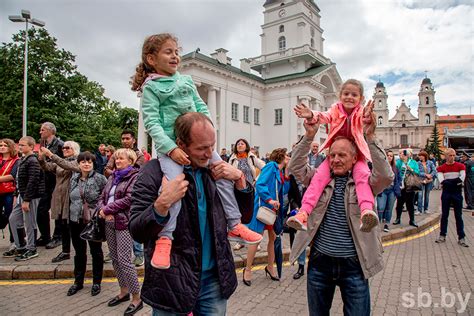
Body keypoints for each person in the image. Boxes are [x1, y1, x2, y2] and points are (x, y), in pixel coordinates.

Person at [131, 33, 261, 270]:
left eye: (176, 52)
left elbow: (200, 105)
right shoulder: (151, 88)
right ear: (151, 59)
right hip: (169, 148)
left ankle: (234, 225)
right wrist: (170, 150)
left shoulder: (186, 81)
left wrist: (207, 128)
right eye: (168, 52)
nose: (175, 56)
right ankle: (165, 238)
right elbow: (151, 122)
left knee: (223, 175)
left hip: (215, 273)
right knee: (172, 186)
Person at [129, 112, 253, 315]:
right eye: (202, 148)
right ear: (180, 143)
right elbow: (137, 231)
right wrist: (162, 204)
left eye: (212, 146)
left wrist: (240, 180)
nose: (209, 153)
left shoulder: (216, 170)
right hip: (171, 283)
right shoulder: (153, 172)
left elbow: (244, 217)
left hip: (214, 281)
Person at [288, 116, 393, 316]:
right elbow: (295, 168)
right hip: (320, 264)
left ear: (354, 159)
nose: (336, 159)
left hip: (354, 266)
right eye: (332, 155)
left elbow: (386, 176)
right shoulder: (318, 179)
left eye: (342, 155)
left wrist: (370, 136)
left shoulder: (365, 183)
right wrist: (309, 136)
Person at [287, 79, 378, 233]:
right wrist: (311, 115)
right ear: (339, 96)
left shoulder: (361, 112)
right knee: (317, 180)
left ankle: (366, 212)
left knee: (362, 178)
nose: (349, 97)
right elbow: (324, 116)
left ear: (361, 99)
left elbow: (365, 119)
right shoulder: (335, 109)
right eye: (346, 93)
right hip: (334, 152)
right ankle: (303, 213)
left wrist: (368, 117)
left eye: (354, 94)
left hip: (357, 155)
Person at [98, 148, 143, 315]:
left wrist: (108, 209)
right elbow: (102, 197)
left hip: (123, 222)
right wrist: (102, 210)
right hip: (108, 221)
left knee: (125, 260)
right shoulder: (112, 176)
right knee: (115, 259)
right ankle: (123, 291)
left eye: (121, 159)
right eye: (116, 159)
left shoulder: (134, 176)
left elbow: (130, 199)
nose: (117, 161)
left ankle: (136, 297)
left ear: (130, 161)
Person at [243, 148, 291, 286]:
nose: (288, 158)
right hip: (263, 208)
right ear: (281, 156)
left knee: (273, 238)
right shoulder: (271, 166)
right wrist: (270, 200)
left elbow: (283, 191)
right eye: (287, 156)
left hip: (272, 211)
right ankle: (247, 270)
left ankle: (270, 267)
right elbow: (260, 184)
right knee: (256, 239)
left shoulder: (280, 171)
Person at [66, 151, 107, 297]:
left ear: (93, 163)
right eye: (83, 161)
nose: (86, 164)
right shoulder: (74, 178)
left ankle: (97, 282)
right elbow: (71, 198)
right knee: (79, 252)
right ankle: (78, 281)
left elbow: (106, 198)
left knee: (95, 251)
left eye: (89, 161)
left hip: (93, 221)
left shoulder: (100, 178)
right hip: (75, 219)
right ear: (79, 164)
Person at [104, 130, 146, 267]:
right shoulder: (117, 154)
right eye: (122, 138)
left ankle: (139, 254)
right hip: (116, 192)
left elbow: (136, 171)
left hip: (132, 194)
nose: (125, 141)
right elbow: (107, 169)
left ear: (133, 140)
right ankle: (115, 251)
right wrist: (117, 173)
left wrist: (117, 173)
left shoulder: (139, 155)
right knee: (116, 224)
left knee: (132, 223)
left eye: (127, 138)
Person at [38, 141, 81, 263]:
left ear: (75, 149)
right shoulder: (60, 162)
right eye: (63, 148)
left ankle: (78, 252)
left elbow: (68, 166)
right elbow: (47, 167)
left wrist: (51, 155)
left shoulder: (78, 160)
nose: (64, 149)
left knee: (72, 227)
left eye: (68, 147)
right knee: (62, 226)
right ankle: (65, 251)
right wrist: (41, 158)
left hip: (70, 197)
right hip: (59, 196)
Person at [8, 136, 45, 261]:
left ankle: (31, 248)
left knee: (30, 223)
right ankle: (21, 245)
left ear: (31, 146)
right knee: (13, 219)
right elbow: (19, 180)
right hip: (21, 195)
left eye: (23, 145)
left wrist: (27, 199)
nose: (20, 147)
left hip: (30, 197)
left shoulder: (32, 161)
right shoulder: (23, 159)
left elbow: (33, 181)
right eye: (20, 145)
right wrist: (16, 195)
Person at [228, 138, 266, 250]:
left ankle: (254, 241)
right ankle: (241, 240)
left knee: (251, 214)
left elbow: (264, 167)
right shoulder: (232, 158)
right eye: (238, 144)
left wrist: (257, 180)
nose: (240, 145)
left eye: (242, 143)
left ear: (246, 146)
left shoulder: (251, 157)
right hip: (237, 191)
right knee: (239, 214)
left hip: (250, 190)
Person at [37, 122, 64, 249]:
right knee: (41, 210)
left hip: (57, 180)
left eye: (42, 130)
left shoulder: (60, 144)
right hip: (45, 181)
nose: (40, 132)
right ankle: (45, 236)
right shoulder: (43, 144)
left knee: (57, 211)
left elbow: (65, 162)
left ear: (50, 131)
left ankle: (58, 236)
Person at [435, 148, 469, 247]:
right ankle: (442, 235)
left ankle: (461, 237)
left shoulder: (461, 166)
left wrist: (449, 182)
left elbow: (461, 178)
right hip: (446, 193)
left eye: (454, 155)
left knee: (458, 216)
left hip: (457, 193)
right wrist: (455, 182)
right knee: (445, 215)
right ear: (445, 156)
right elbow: (441, 180)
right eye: (450, 155)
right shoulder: (441, 168)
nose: (452, 157)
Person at [0, 139, 21, 253]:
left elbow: (12, 176)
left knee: (11, 216)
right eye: (0, 145)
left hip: (9, 192)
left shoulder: (16, 161)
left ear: (10, 147)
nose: (2, 147)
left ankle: (14, 241)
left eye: (5, 145)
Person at [376, 150, 401, 232]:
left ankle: (386, 224)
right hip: (382, 190)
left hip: (392, 190)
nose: (389, 157)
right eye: (388, 155)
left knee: (389, 209)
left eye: (391, 156)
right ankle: (379, 222)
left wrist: (399, 186)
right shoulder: (381, 166)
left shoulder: (395, 167)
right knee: (381, 207)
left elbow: (399, 178)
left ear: (393, 158)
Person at [393, 148, 420, 227]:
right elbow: (395, 171)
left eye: (402, 153)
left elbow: (417, 172)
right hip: (401, 186)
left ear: (407, 155)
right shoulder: (398, 162)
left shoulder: (413, 162)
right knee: (399, 203)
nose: (400, 155)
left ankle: (412, 220)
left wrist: (411, 169)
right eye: (399, 153)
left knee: (410, 203)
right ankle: (398, 218)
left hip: (410, 185)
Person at [416, 150, 437, 215]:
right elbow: (417, 172)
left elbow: (434, 170)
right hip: (421, 180)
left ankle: (426, 209)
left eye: (421, 156)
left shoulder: (430, 162)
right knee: (420, 195)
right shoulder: (418, 163)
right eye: (419, 156)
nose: (420, 157)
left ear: (424, 156)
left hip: (428, 180)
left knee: (427, 195)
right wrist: (425, 174)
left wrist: (430, 175)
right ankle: (419, 210)